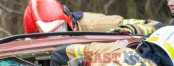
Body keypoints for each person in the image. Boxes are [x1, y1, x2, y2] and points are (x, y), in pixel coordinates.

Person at [23, 0, 162, 35]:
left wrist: (129, 30)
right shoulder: (29, 49)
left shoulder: (97, 26)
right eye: (49, 36)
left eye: (59, 30)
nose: (56, 39)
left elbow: (154, 25)